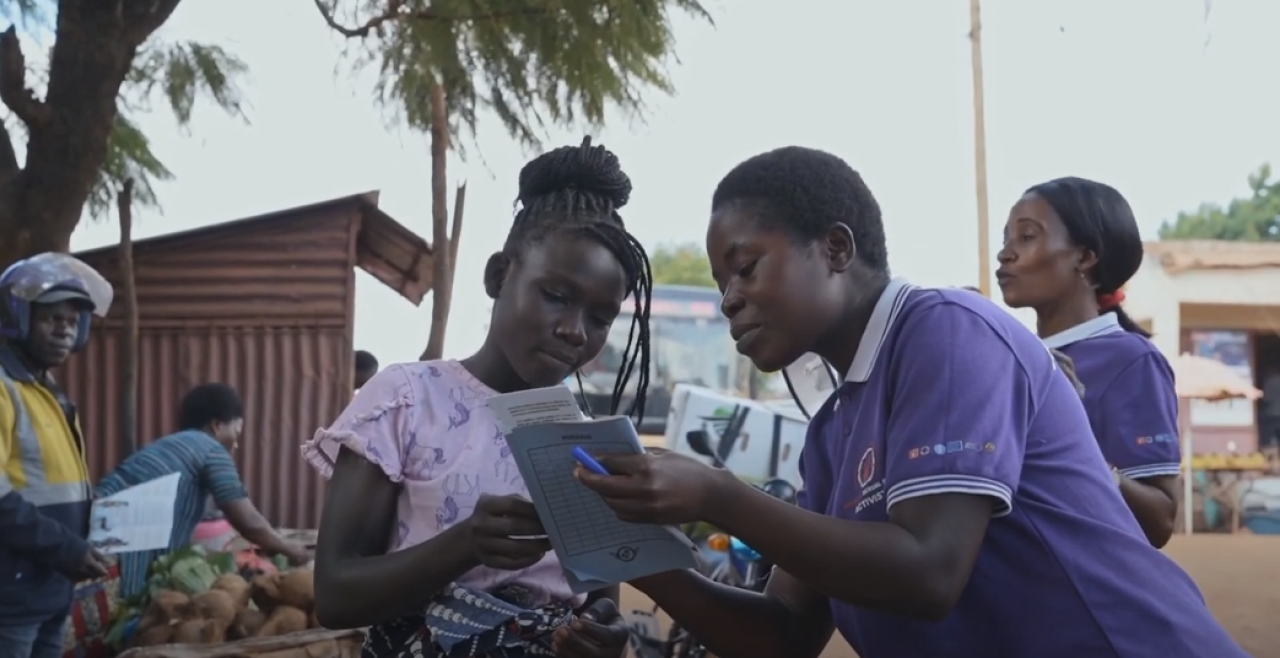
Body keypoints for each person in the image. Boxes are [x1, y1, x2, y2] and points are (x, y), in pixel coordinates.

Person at [574, 147, 1247, 658]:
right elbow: (782, 634)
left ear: (836, 248)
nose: (729, 299)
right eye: (722, 283)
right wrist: (630, 550)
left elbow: (929, 571)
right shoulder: (833, 433)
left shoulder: (948, 332)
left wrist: (717, 494)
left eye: (745, 267)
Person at [306, 137, 652, 658]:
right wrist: (465, 545)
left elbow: (600, 598)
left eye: (600, 318)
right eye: (556, 296)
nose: (575, 331)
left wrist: (606, 632)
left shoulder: (583, 440)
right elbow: (335, 595)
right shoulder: (405, 400)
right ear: (498, 275)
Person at [995, 177, 1181, 547]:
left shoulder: (1130, 359)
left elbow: (1160, 520)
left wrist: (1076, 447)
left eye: (1026, 237)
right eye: (1005, 239)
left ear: (1084, 256)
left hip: (1077, 589)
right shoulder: (1011, 359)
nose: (1005, 254)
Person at [96, 383, 310, 598]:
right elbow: (249, 522)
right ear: (217, 425)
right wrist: (293, 552)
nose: (236, 444)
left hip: (94, 540)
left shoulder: (170, 445)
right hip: (119, 559)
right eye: (236, 432)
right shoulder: (211, 450)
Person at [0, 253, 113, 658]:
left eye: (72, 322)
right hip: (10, 598)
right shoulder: (5, 387)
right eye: (52, 319)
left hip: (49, 586)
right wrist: (67, 548)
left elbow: (50, 484)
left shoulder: (49, 392)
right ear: (19, 318)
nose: (64, 330)